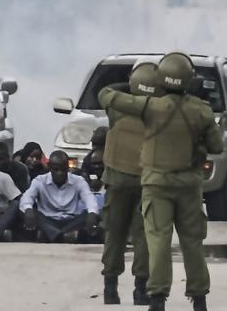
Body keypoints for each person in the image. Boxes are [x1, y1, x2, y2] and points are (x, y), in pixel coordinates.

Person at [99, 52, 223, 311]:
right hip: (188, 186)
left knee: (157, 241)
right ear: (189, 80)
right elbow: (216, 146)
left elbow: (106, 95)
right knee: (192, 243)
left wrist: (133, 86)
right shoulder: (201, 110)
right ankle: (198, 299)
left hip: (155, 184)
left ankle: (157, 298)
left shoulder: (149, 108)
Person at [101, 63, 157, 306]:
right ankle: (140, 289)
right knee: (143, 236)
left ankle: (110, 288)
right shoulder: (159, 110)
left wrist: (131, 86)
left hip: (116, 180)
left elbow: (105, 91)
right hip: (147, 181)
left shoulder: (118, 109)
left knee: (114, 234)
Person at [20, 150, 100, 243]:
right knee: (29, 211)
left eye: (63, 169)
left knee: (92, 214)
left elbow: (89, 198)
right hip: (47, 220)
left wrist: (92, 213)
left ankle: (53, 235)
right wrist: (28, 210)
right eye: (56, 169)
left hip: (70, 221)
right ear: (49, 167)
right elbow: (27, 197)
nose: (60, 173)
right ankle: (62, 236)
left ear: (68, 168)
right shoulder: (40, 180)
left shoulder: (78, 181)